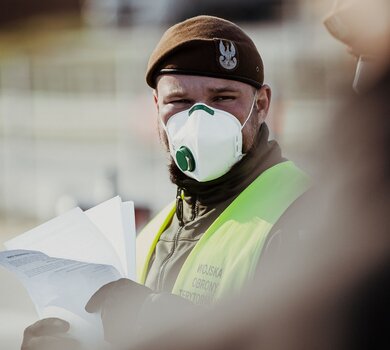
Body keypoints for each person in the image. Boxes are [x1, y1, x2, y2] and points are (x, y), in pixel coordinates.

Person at [21, 15, 310, 349]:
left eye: (223, 98)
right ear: (157, 109)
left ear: (260, 105)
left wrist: (151, 317)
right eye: (180, 102)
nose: (200, 119)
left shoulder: (307, 214)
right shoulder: (151, 237)